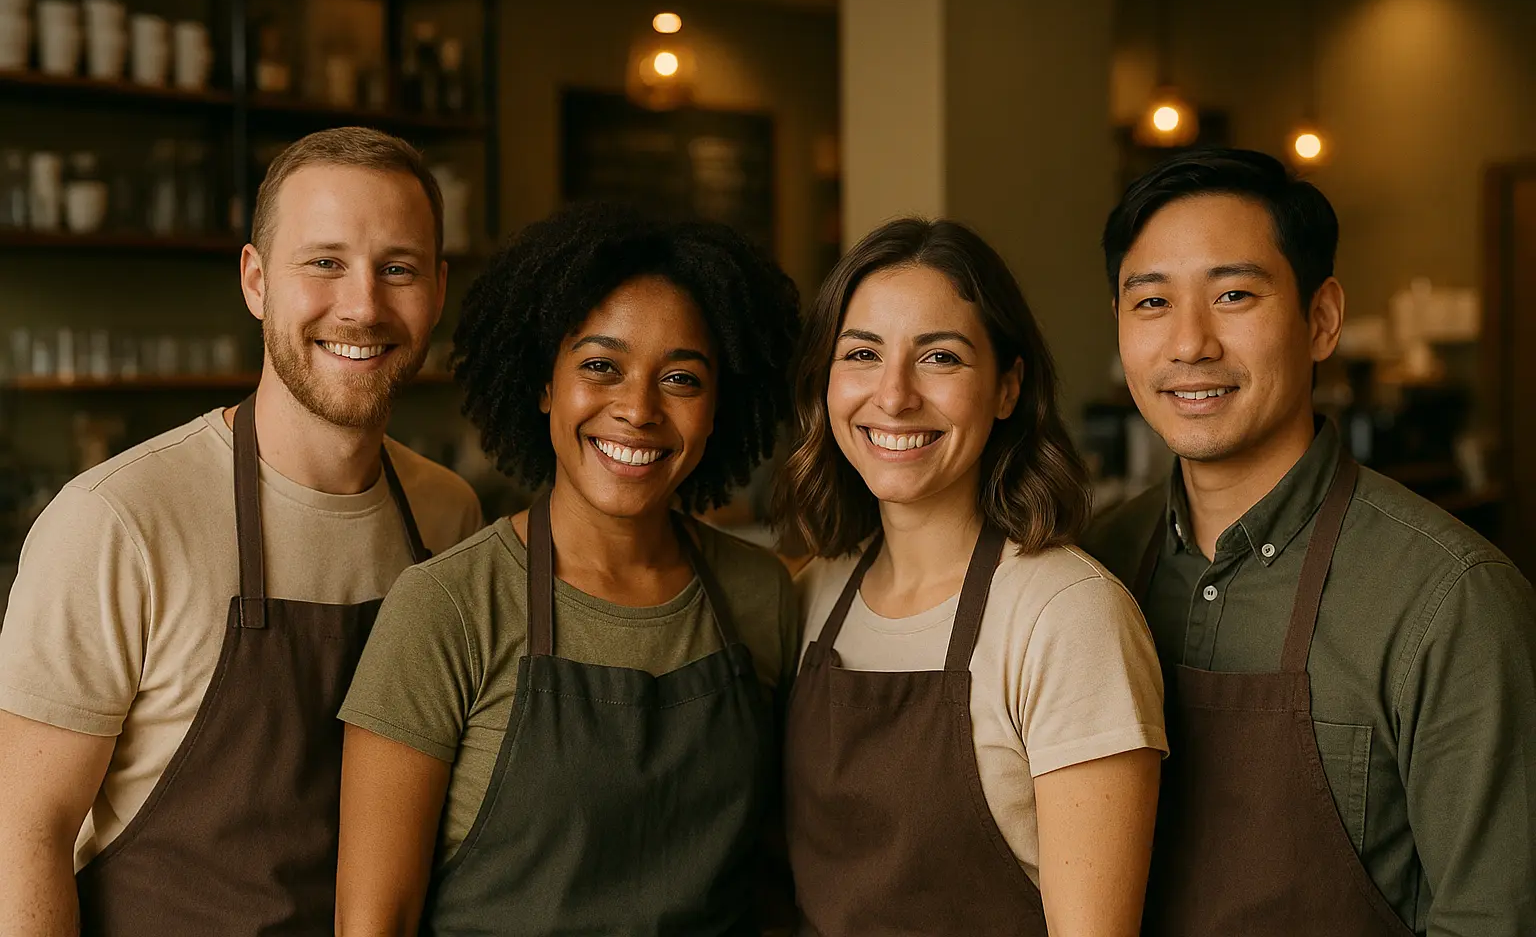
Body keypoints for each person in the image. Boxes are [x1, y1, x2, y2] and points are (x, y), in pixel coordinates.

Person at [0, 126, 484, 936]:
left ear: (437, 291)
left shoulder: (447, 515)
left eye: (396, 268)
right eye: (323, 262)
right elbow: (22, 836)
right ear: (256, 280)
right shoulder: (117, 521)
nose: (362, 305)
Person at [1083, 148, 1536, 937]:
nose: (1190, 343)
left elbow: (1494, 917)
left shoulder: (1451, 597)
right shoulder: (1090, 572)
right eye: (1151, 303)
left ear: (1321, 319)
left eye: (1233, 295)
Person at [334, 203, 802, 936]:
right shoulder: (448, 606)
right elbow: (372, 923)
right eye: (600, 368)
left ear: (720, 408)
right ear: (545, 384)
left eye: (681, 379)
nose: (638, 409)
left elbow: (773, 877)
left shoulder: (760, 593)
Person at [776, 218, 1167, 937]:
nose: (893, 396)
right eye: (862, 353)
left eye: (941, 359)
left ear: (1007, 387)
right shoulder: (812, 594)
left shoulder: (1067, 616)